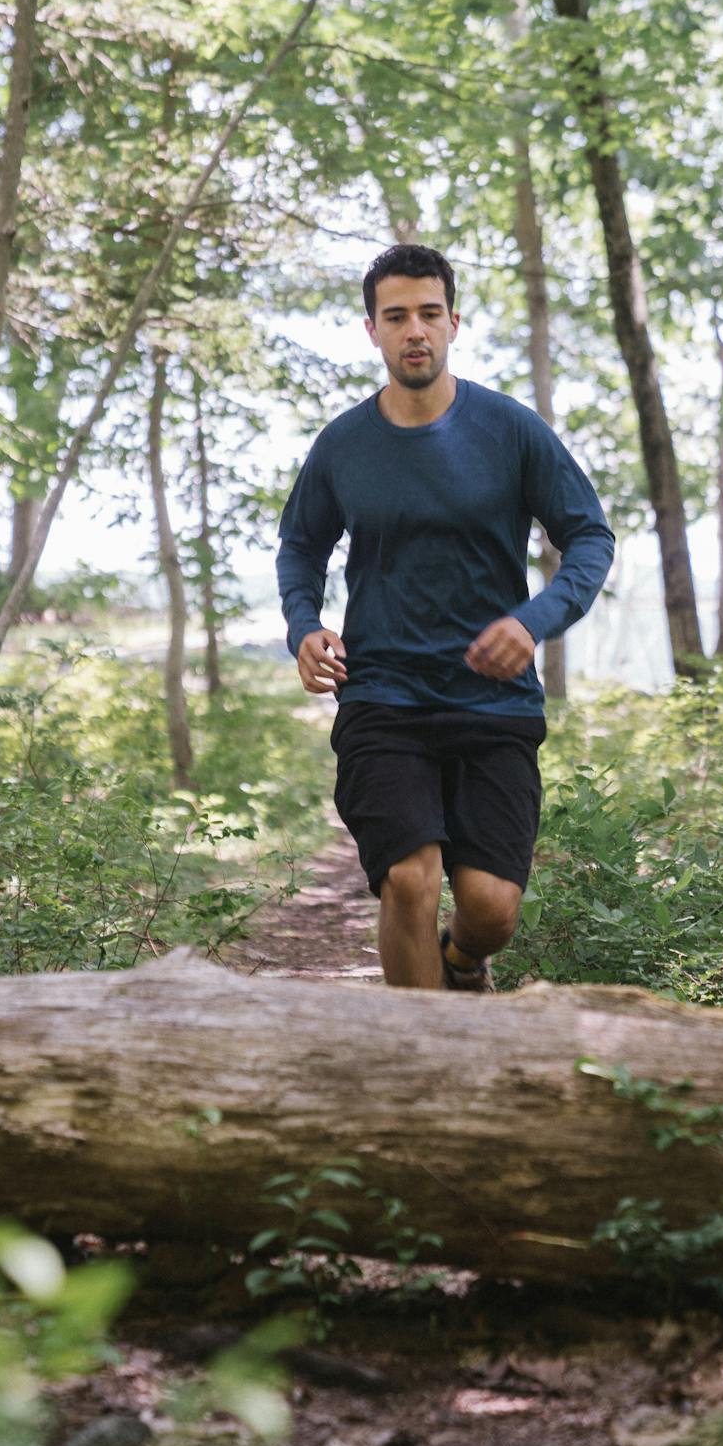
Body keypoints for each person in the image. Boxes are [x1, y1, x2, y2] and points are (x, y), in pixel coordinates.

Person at [276, 242, 614, 993]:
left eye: (429, 313)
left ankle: (463, 966)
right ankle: (421, 1075)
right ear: (372, 331)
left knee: (490, 909)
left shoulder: (510, 431)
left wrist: (535, 620)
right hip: (382, 697)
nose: (414, 331)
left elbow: (589, 535)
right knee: (409, 879)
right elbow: (300, 546)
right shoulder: (343, 445)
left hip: (493, 701)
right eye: (396, 317)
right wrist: (304, 627)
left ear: (454, 322)